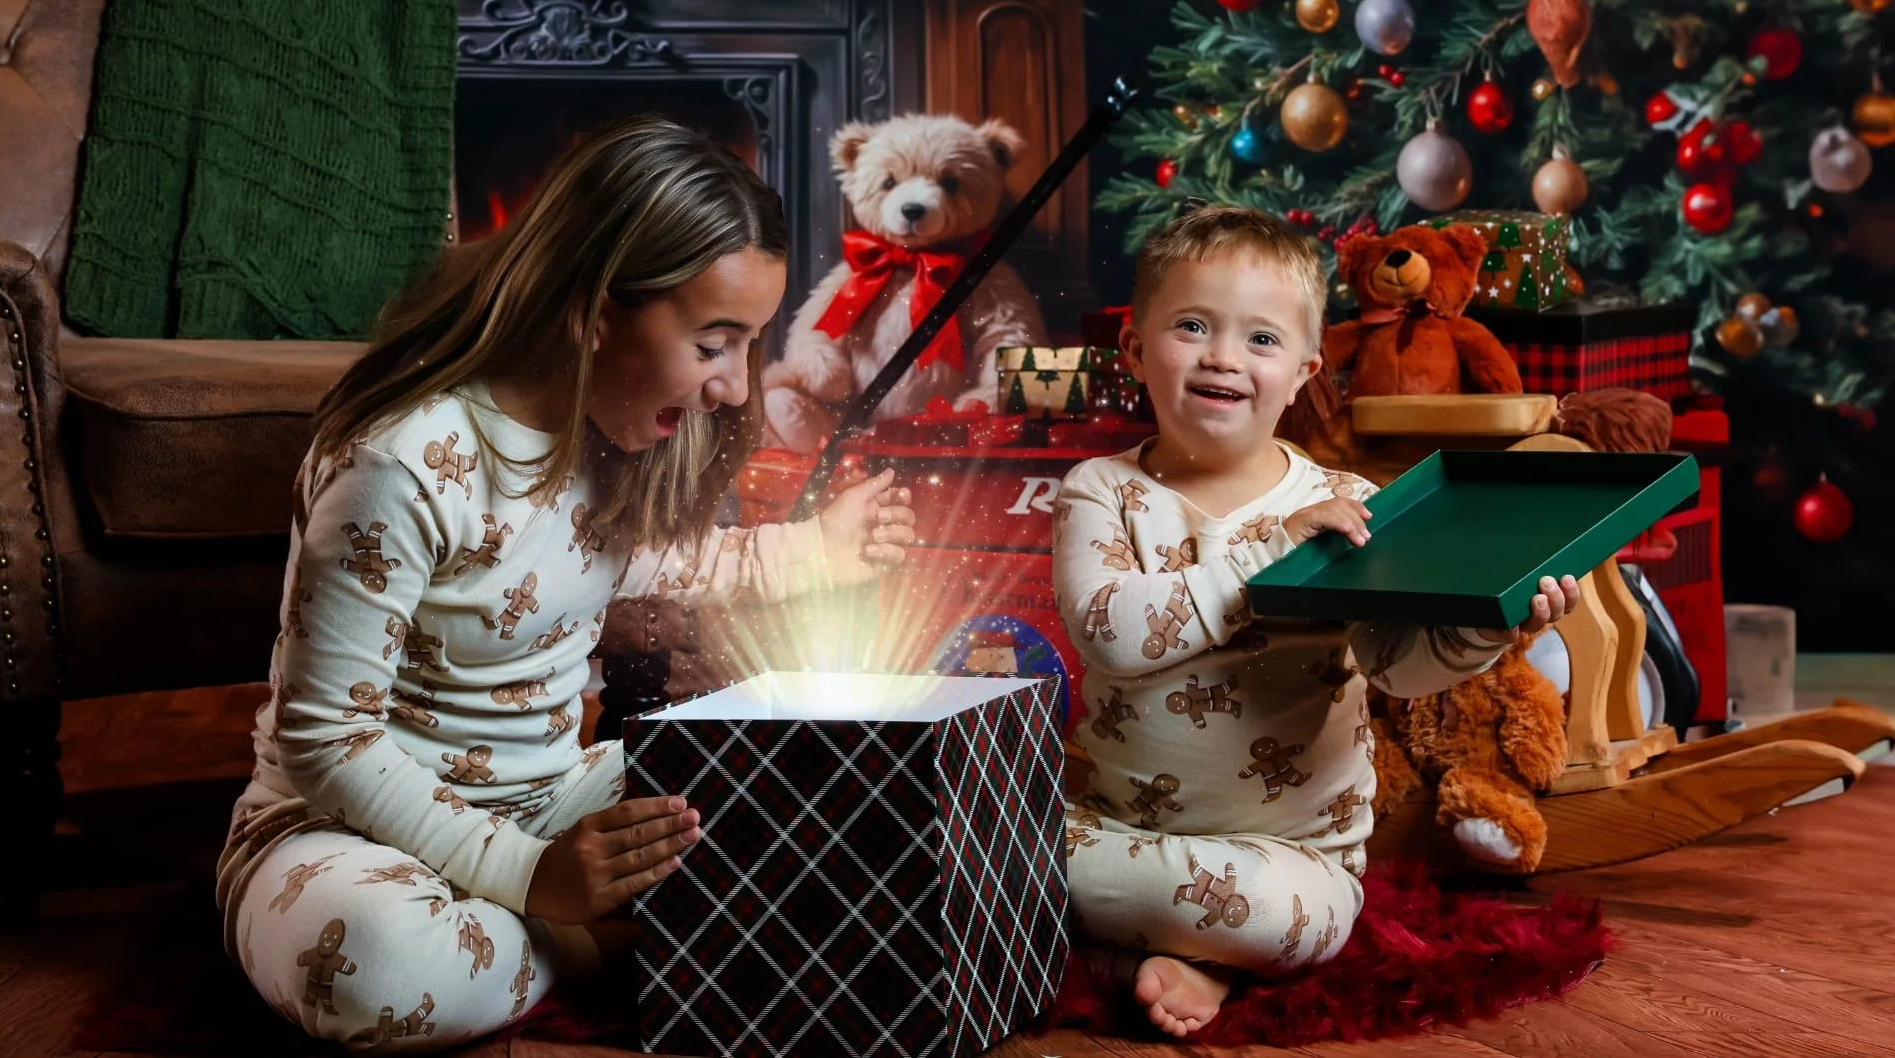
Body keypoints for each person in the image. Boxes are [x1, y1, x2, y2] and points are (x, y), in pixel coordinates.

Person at [215, 117, 917, 1051]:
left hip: (555, 799)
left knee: (839, 803)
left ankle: (545, 933)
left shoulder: (611, 439)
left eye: (750, 344)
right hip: (352, 834)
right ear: (593, 310)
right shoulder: (402, 460)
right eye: (714, 344)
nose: (738, 388)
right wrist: (533, 878)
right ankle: (592, 948)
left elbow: (683, 563)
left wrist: (821, 550)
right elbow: (328, 740)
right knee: (366, 964)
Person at [1052, 204, 1578, 1037]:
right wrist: (1266, 555)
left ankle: (1155, 942)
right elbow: (1109, 629)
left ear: (1303, 371)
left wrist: (1492, 624)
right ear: (1135, 348)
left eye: (1261, 338)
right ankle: (1183, 948)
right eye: (1192, 325)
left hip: (1292, 858)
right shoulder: (1101, 490)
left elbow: (1399, 664)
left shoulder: (1345, 504)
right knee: (1004, 857)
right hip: (1124, 827)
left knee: (1285, 914)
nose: (1224, 356)